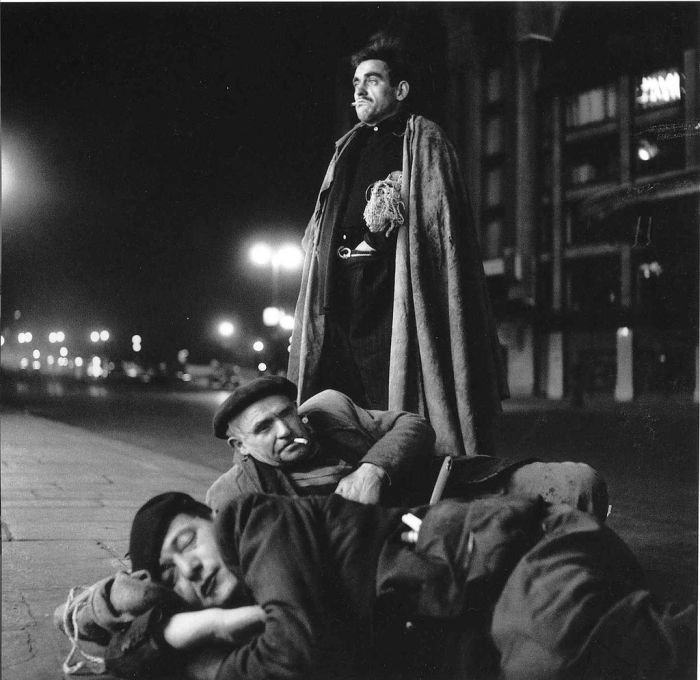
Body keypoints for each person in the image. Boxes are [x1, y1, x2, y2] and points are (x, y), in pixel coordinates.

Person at [85, 491, 694, 680]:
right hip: (488, 607)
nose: (188, 570)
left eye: (187, 542)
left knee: (553, 657)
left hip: (523, 555)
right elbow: (116, 657)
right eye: (170, 574)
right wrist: (190, 625)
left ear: (212, 520)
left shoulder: (254, 520)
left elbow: (299, 654)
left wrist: (212, 659)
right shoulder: (252, 605)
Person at [288, 31, 508, 458]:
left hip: (392, 305)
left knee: (394, 407)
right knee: (336, 413)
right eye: (356, 83)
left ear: (400, 90)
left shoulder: (423, 139)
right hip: (339, 303)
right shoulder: (348, 145)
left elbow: (436, 223)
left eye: (372, 79)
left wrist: (374, 244)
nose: (359, 90)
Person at [206, 376, 610, 522]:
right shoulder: (234, 493)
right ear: (239, 445)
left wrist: (374, 469)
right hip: (403, 554)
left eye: (286, 414)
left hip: (454, 490)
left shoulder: (328, 409)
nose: (284, 429)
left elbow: (412, 425)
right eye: (264, 428)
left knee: (580, 483)